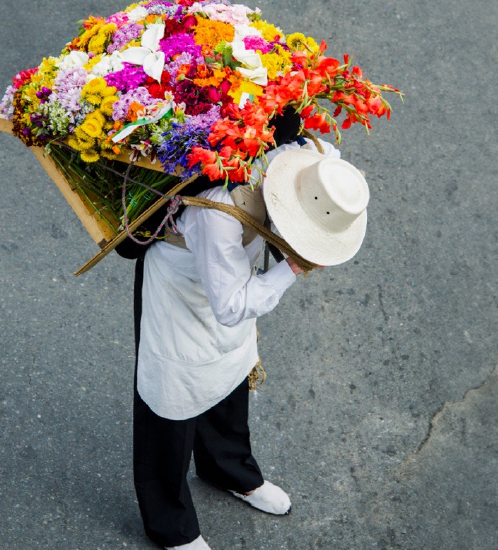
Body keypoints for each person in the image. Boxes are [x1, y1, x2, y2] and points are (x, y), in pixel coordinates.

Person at [126, 110, 368, 550]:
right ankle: (169, 522)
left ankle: (227, 468)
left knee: (230, 371)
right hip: (182, 289)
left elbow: (328, 172)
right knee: (172, 395)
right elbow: (233, 305)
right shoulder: (217, 210)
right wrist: (292, 267)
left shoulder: (309, 157)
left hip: (228, 275)